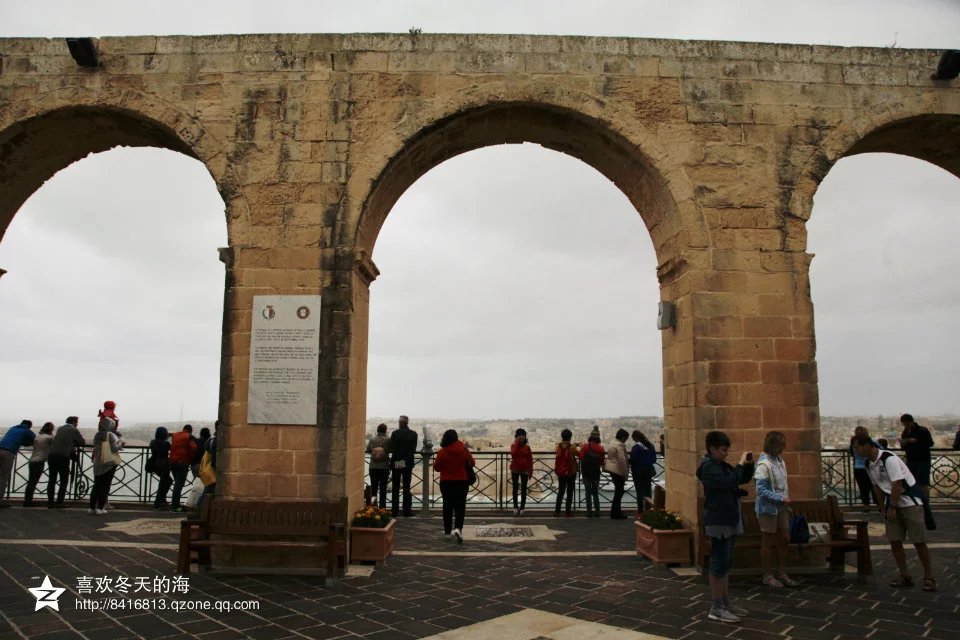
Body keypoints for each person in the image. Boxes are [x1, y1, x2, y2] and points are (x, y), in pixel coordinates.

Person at [854, 434, 936, 591]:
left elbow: (897, 483)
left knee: (919, 541)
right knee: (895, 541)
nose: (856, 451)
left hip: (909, 503)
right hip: (890, 503)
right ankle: (904, 575)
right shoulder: (868, 463)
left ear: (866, 445)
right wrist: (882, 507)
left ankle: (929, 576)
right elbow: (877, 486)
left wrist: (892, 507)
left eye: (857, 447)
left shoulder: (889, 459)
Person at [696, 430, 754, 624]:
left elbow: (740, 478)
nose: (725, 453)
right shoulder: (708, 467)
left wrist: (748, 466)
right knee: (718, 563)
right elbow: (728, 481)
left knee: (725, 564)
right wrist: (738, 465)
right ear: (712, 449)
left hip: (728, 518)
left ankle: (725, 602)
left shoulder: (720, 465)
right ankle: (716, 607)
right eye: (723, 450)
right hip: (718, 520)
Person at [754, 431, 799, 588]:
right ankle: (767, 574)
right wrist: (781, 498)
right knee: (768, 540)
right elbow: (761, 490)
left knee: (784, 538)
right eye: (781, 445)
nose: (783, 448)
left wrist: (785, 502)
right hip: (768, 509)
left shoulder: (780, 460)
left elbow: (782, 485)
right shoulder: (763, 465)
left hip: (780, 508)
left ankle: (782, 572)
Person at [433, 429, 475, 544]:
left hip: (446, 482)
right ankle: (458, 528)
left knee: (447, 506)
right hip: (462, 482)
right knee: (460, 506)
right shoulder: (464, 450)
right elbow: (472, 462)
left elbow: (436, 467)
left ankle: (447, 533)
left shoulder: (442, 451)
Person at [47, 417, 85, 508]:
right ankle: (59, 502)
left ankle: (50, 502)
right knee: (64, 480)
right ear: (73, 422)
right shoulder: (73, 430)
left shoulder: (60, 428)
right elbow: (82, 441)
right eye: (77, 422)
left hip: (52, 456)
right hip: (63, 457)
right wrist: (73, 443)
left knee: (52, 480)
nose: (77, 424)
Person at [89, 416, 121, 515]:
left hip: (97, 461)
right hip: (108, 463)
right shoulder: (111, 435)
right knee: (105, 485)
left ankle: (91, 507)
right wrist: (120, 445)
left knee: (96, 485)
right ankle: (100, 507)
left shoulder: (97, 435)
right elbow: (114, 448)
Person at [0, 420, 35, 507]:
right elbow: (34, 439)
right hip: (8, 452)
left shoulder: (13, 428)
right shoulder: (27, 431)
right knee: (4, 477)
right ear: (29, 426)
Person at [898, 414, 934, 501]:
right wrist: (903, 443)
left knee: (923, 483)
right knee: (912, 482)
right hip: (911, 460)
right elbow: (904, 448)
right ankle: (916, 502)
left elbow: (930, 443)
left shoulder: (923, 430)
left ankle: (925, 503)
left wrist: (916, 441)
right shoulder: (906, 432)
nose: (905, 426)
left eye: (906, 424)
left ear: (911, 422)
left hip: (923, 460)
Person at [389, 415, 418, 517]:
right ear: (407, 423)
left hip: (397, 462)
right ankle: (406, 510)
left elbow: (392, 448)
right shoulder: (413, 434)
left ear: (400, 423)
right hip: (408, 463)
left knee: (395, 487)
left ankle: (394, 510)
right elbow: (413, 449)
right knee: (406, 487)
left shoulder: (395, 434)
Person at [23, 422, 55, 507]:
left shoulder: (38, 436)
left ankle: (27, 500)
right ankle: (28, 501)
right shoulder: (49, 438)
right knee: (33, 482)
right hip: (39, 461)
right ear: (51, 429)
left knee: (30, 481)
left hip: (32, 460)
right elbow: (56, 444)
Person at [169, 424, 197, 512]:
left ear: (183, 429)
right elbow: (193, 448)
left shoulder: (175, 435)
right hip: (182, 462)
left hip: (172, 462)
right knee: (179, 485)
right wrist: (189, 459)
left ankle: (174, 503)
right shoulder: (189, 436)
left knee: (176, 483)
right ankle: (175, 505)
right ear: (190, 431)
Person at [579, 426, 605, 518]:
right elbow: (602, 462)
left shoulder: (584, 447)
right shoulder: (601, 448)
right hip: (595, 473)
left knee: (587, 491)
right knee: (595, 492)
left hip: (586, 473)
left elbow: (581, 457)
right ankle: (597, 511)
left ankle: (589, 512)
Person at [629, 430, 657, 513]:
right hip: (648, 470)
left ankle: (640, 511)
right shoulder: (650, 445)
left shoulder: (636, 447)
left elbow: (633, 459)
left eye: (633, 439)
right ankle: (649, 510)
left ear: (636, 438)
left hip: (637, 471)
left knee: (639, 491)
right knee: (648, 491)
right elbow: (654, 459)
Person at [849, 426, 876, 512]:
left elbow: (852, 453)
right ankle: (879, 505)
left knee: (863, 488)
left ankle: (866, 506)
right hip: (871, 467)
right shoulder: (871, 442)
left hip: (858, 468)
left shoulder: (853, 443)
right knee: (874, 487)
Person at [605, 428, 630, 519]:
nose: (626, 440)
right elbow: (622, 460)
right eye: (626, 438)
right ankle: (616, 512)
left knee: (618, 491)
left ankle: (615, 512)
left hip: (612, 469)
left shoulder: (612, 442)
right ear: (623, 437)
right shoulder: (619, 445)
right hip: (617, 470)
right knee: (619, 491)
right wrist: (625, 473)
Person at [554, 429, 579, 516]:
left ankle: (557, 511)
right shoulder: (572, 447)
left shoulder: (558, 446)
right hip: (571, 472)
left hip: (560, 472)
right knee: (569, 492)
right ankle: (568, 511)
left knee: (561, 491)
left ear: (562, 437)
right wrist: (575, 446)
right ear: (570, 437)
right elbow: (579, 454)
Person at [366, 423, 391, 509]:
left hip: (373, 466)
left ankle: (373, 507)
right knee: (383, 488)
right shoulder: (388, 439)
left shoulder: (372, 439)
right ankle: (382, 508)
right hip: (384, 467)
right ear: (385, 430)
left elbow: (368, 450)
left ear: (377, 430)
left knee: (374, 489)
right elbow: (391, 449)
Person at [510, 428, 533, 516]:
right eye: (519, 435)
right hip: (515, 469)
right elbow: (513, 454)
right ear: (516, 436)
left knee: (524, 489)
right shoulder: (513, 446)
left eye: (522, 435)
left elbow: (530, 460)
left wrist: (530, 471)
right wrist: (517, 443)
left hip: (524, 470)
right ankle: (515, 507)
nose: (521, 437)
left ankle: (522, 507)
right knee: (515, 489)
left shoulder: (527, 447)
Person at [149, 427, 173, 510]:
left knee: (165, 481)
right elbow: (172, 449)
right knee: (165, 482)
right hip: (164, 464)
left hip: (155, 463)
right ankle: (158, 502)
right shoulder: (165, 443)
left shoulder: (152, 442)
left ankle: (161, 501)